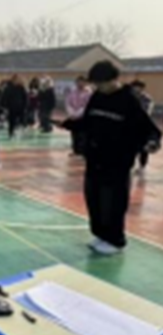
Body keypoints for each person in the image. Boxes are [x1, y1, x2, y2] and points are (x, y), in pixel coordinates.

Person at [57, 61, 161, 256]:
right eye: (96, 84)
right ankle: (101, 234)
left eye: (101, 83)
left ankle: (115, 240)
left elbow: (148, 128)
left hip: (117, 162)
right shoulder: (97, 96)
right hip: (95, 158)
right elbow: (88, 121)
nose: (98, 87)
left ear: (114, 80)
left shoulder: (129, 100)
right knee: (93, 199)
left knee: (112, 202)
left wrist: (152, 141)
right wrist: (68, 125)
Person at [131, 80, 155, 176]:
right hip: (129, 126)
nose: (136, 89)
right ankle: (130, 165)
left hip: (142, 126)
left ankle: (142, 166)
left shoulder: (146, 98)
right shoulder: (128, 97)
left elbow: (147, 111)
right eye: (134, 87)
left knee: (143, 148)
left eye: (138, 88)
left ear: (142, 88)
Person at [65, 76, 92, 156]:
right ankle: (75, 150)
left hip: (83, 117)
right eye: (78, 82)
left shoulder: (88, 93)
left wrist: (78, 113)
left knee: (82, 134)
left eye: (82, 82)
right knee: (74, 134)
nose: (80, 84)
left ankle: (82, 151)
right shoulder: (72, 92)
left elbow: (87, 105)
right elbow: (68, 102)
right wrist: (71, 112)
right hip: (73, 116)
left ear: (85, 83)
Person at [0, 75, 28, 139]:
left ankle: (21, 131)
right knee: (11, 121)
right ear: (13, 80)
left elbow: (25, 97)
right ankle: (11, 132)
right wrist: (4, 106)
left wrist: (25, 106)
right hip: (11, 108)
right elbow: (4, 98)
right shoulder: (8, 88)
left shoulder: (21, 88)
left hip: (20, 107)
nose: (18, 81)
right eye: (16, 80)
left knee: (22, 120)